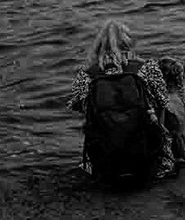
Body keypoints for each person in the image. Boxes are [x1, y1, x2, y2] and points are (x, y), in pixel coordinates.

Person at [67, 19, 176, 180]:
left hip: (104, 158)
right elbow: (164, 101)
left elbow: (76, 106)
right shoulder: (146, 67)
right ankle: (162, 160)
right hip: (145, 153)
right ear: (128, 42)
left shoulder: (87, 74)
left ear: (99, 45)